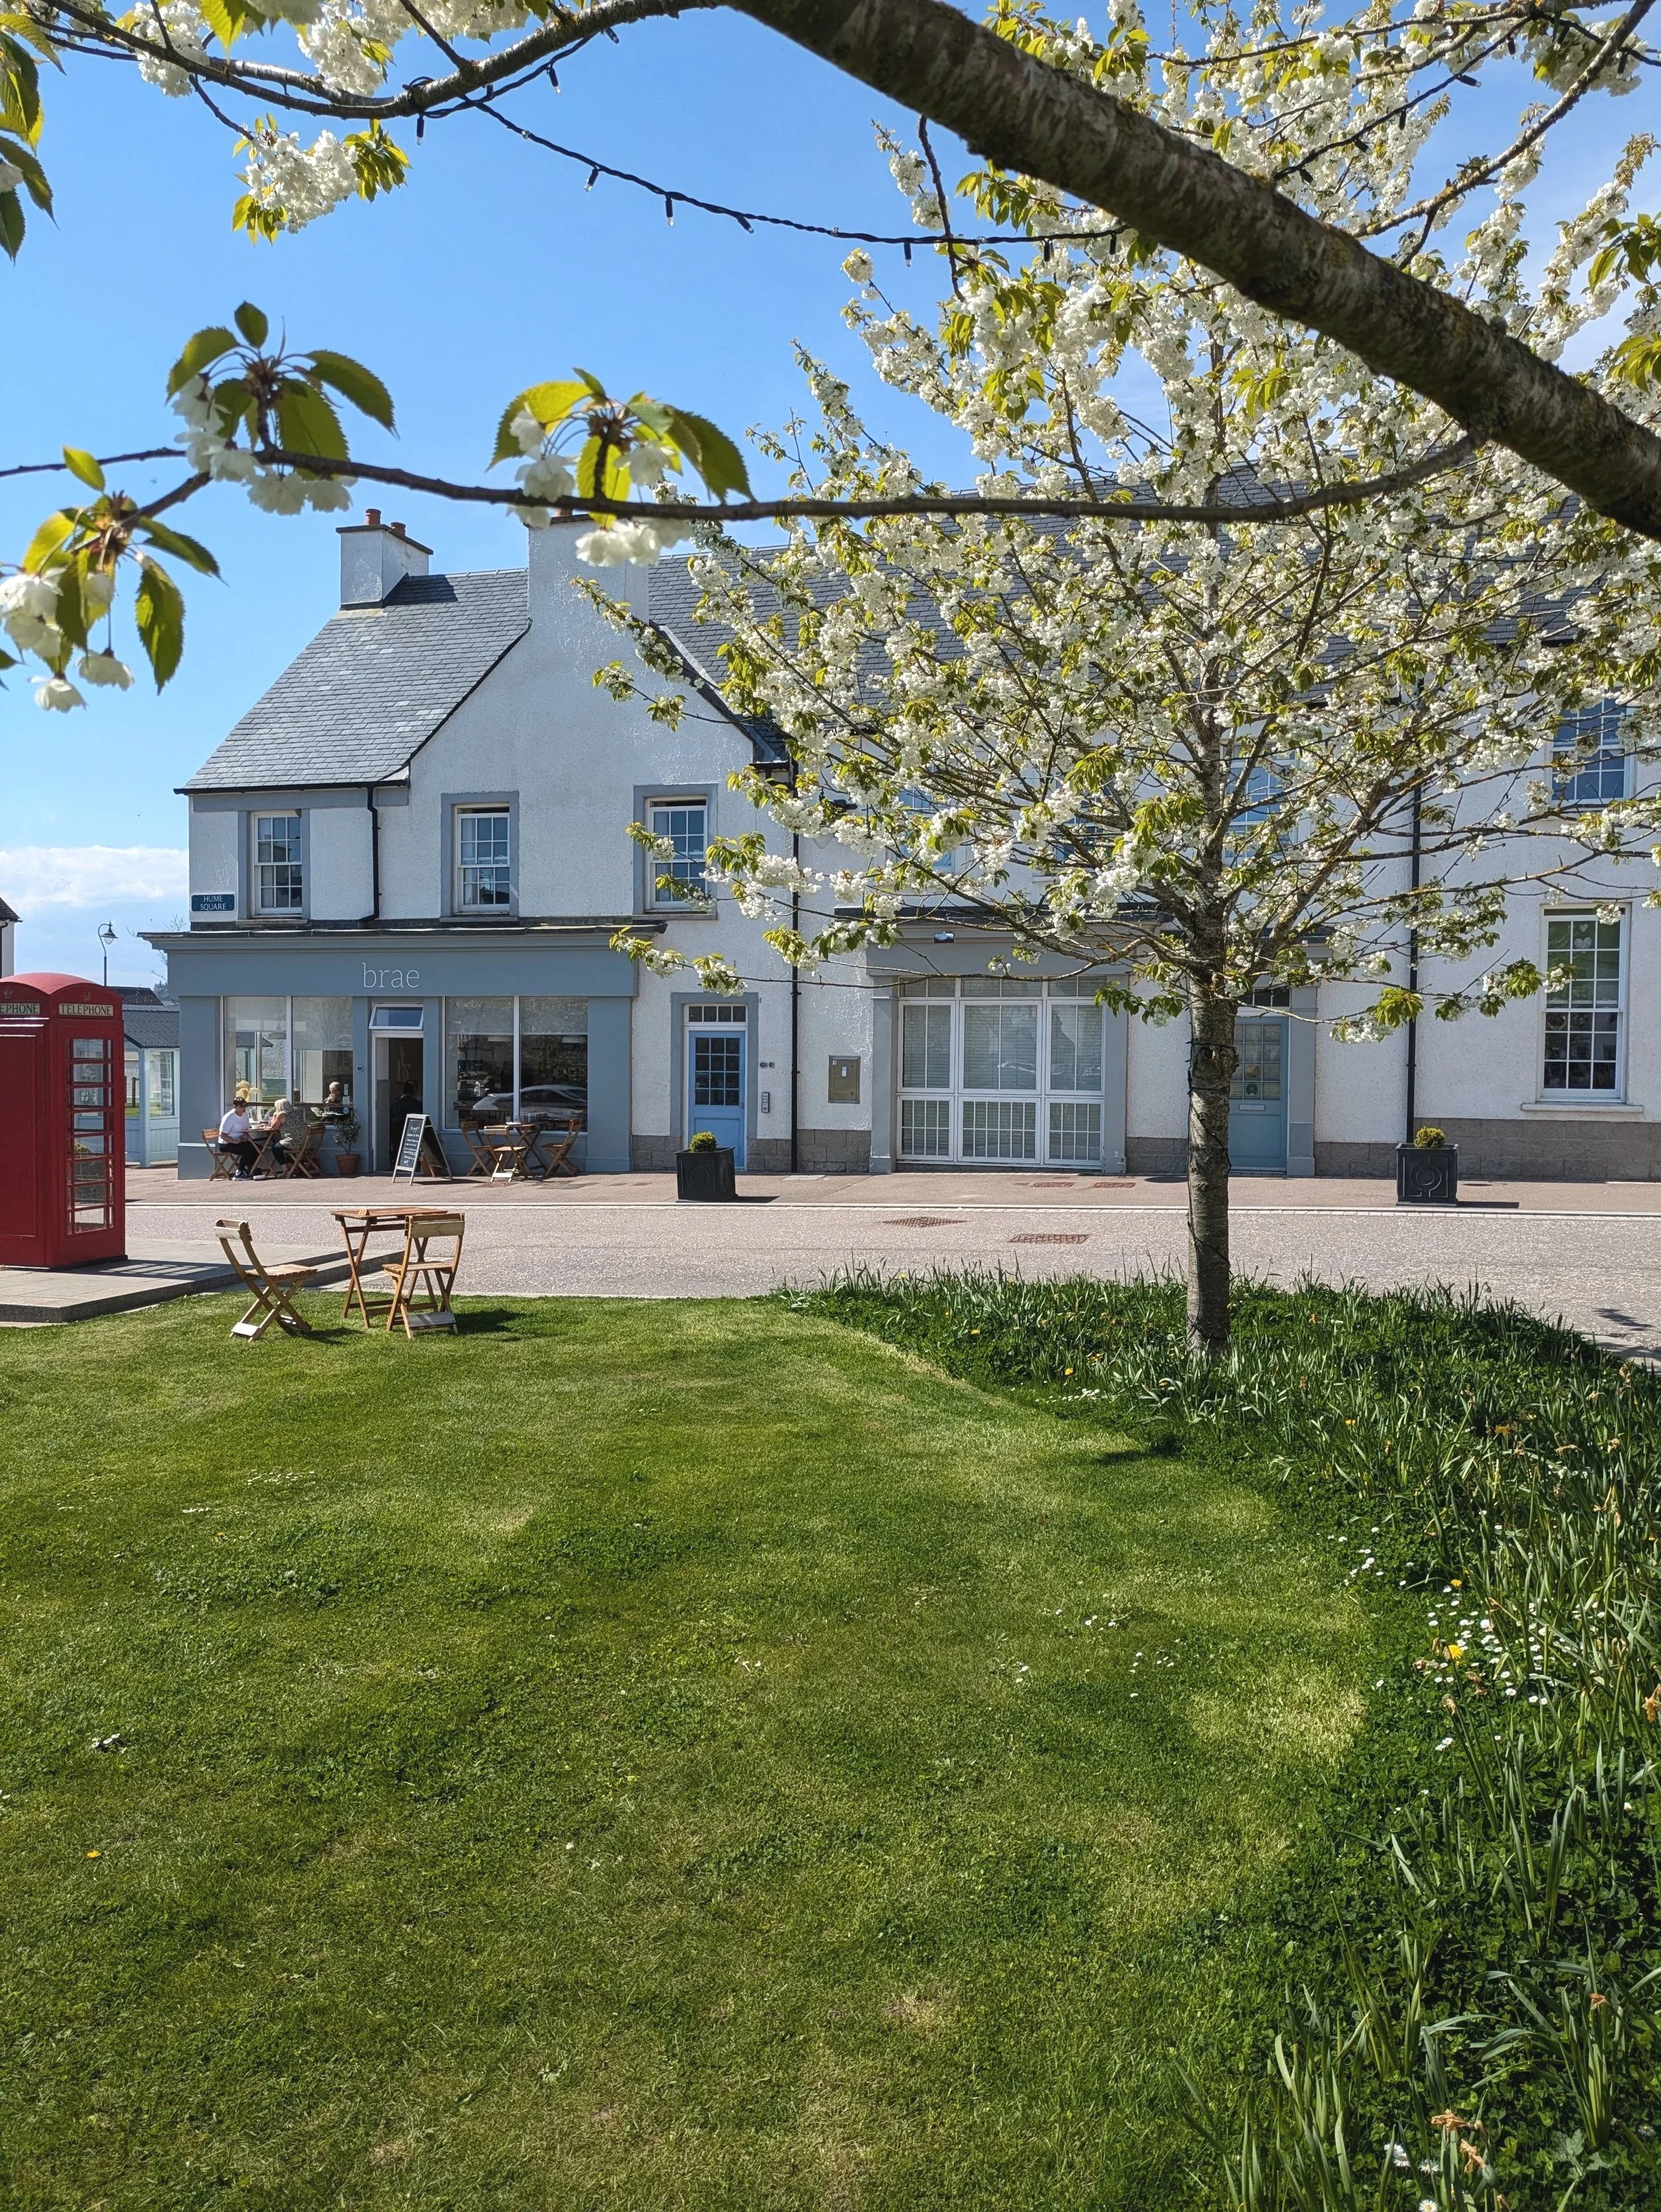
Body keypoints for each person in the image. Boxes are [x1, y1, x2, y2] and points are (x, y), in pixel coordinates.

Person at [217, 1098, 258, 1177]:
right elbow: (222, 1135)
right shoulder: (229, 1117)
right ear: (235, 1106)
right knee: (248, 1150)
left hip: (241, 1140)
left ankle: (249, 1169)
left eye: (245, 1106)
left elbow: (246, 1127)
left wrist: (245, 1135)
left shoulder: (245, 1114)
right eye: (241, 1106)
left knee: (258, 1149)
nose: (244, 1108)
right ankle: (239, 1172)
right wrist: (236, 1142)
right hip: (227, 1143)